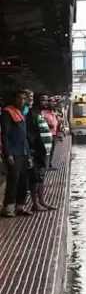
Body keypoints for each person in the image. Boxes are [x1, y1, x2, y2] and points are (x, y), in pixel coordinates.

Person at [1, 89, 33, 217]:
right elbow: (5, 135)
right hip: (14, 152)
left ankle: (20, 206)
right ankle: (7, 207)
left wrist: (29, 154)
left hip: (23, 152)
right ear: (13, 99)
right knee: (13, 180)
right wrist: (7, 153)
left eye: (24, 98)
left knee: (23, 181)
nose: (22, 101)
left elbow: (24, 136)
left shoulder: (20, 113)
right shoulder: (7, 113)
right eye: (19, 98)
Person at [26, 93, 57, 211]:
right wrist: (33, 150)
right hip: (38, 151)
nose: (46, 102)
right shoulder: (32, 115)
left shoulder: (39, 114)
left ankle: (42, 201)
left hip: (44, 151)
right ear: (37, 101)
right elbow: (30, 135)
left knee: (41, 177)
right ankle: (35, 203)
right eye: (43, 100)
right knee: (35, 177)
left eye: (47, 100)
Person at [42, 96, 59, 170]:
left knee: (52, 150)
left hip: (54, 134)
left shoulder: (53, 113)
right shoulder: (43, 113)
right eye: (51, 102)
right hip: (47, 134)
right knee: (46, 151)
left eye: (54, 102)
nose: (53, 104)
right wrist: (48, 125)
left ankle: (49, 164)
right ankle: (45, 165)